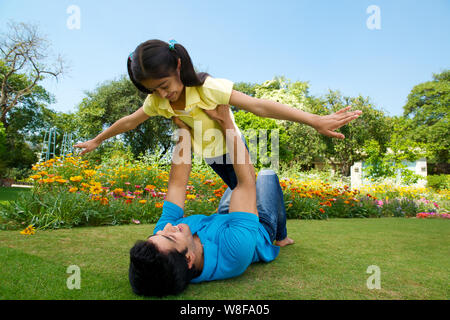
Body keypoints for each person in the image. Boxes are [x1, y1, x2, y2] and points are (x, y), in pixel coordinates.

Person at [74, 39, 362, 189]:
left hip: (235, 147)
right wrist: (98, 140)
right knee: (242, 191)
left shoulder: (207, 88)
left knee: (251, 192)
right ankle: (262, 221)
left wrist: (314, 120)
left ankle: (279, 234)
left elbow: (258, 106)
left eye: (164, 86)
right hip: (211, 156)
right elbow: (130, 121)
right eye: (153, 91)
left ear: (177, 66)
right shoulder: (158, 102)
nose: (162, 94)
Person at [128, 105, 294, 297]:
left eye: (156, 234)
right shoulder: (235, 252)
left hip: (224, 216)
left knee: (241, 185)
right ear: (189, 259)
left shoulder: (162, 241)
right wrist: (226, 122)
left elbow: (177, 186)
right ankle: (281, 237)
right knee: (266, 175)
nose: (166, 228)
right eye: (171, 236)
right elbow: (245, 183)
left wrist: (184, 131)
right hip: (259, 226)